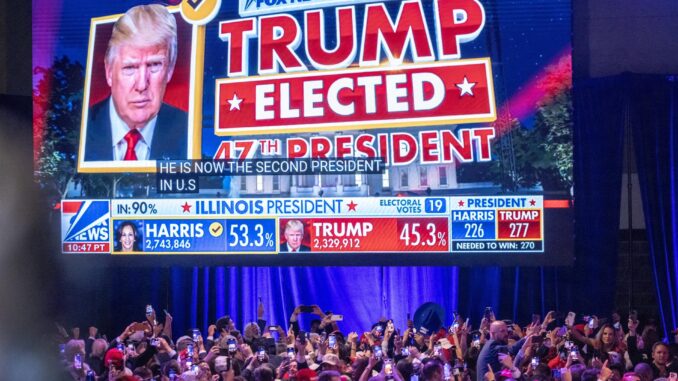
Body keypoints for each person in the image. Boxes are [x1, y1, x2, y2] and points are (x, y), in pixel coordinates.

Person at [84, 4, 188, 162]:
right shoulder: (79, 128)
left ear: (170, 69)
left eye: (154, 65)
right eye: (130, 67)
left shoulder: (189, 131)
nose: (141, 85)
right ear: (109, 71)